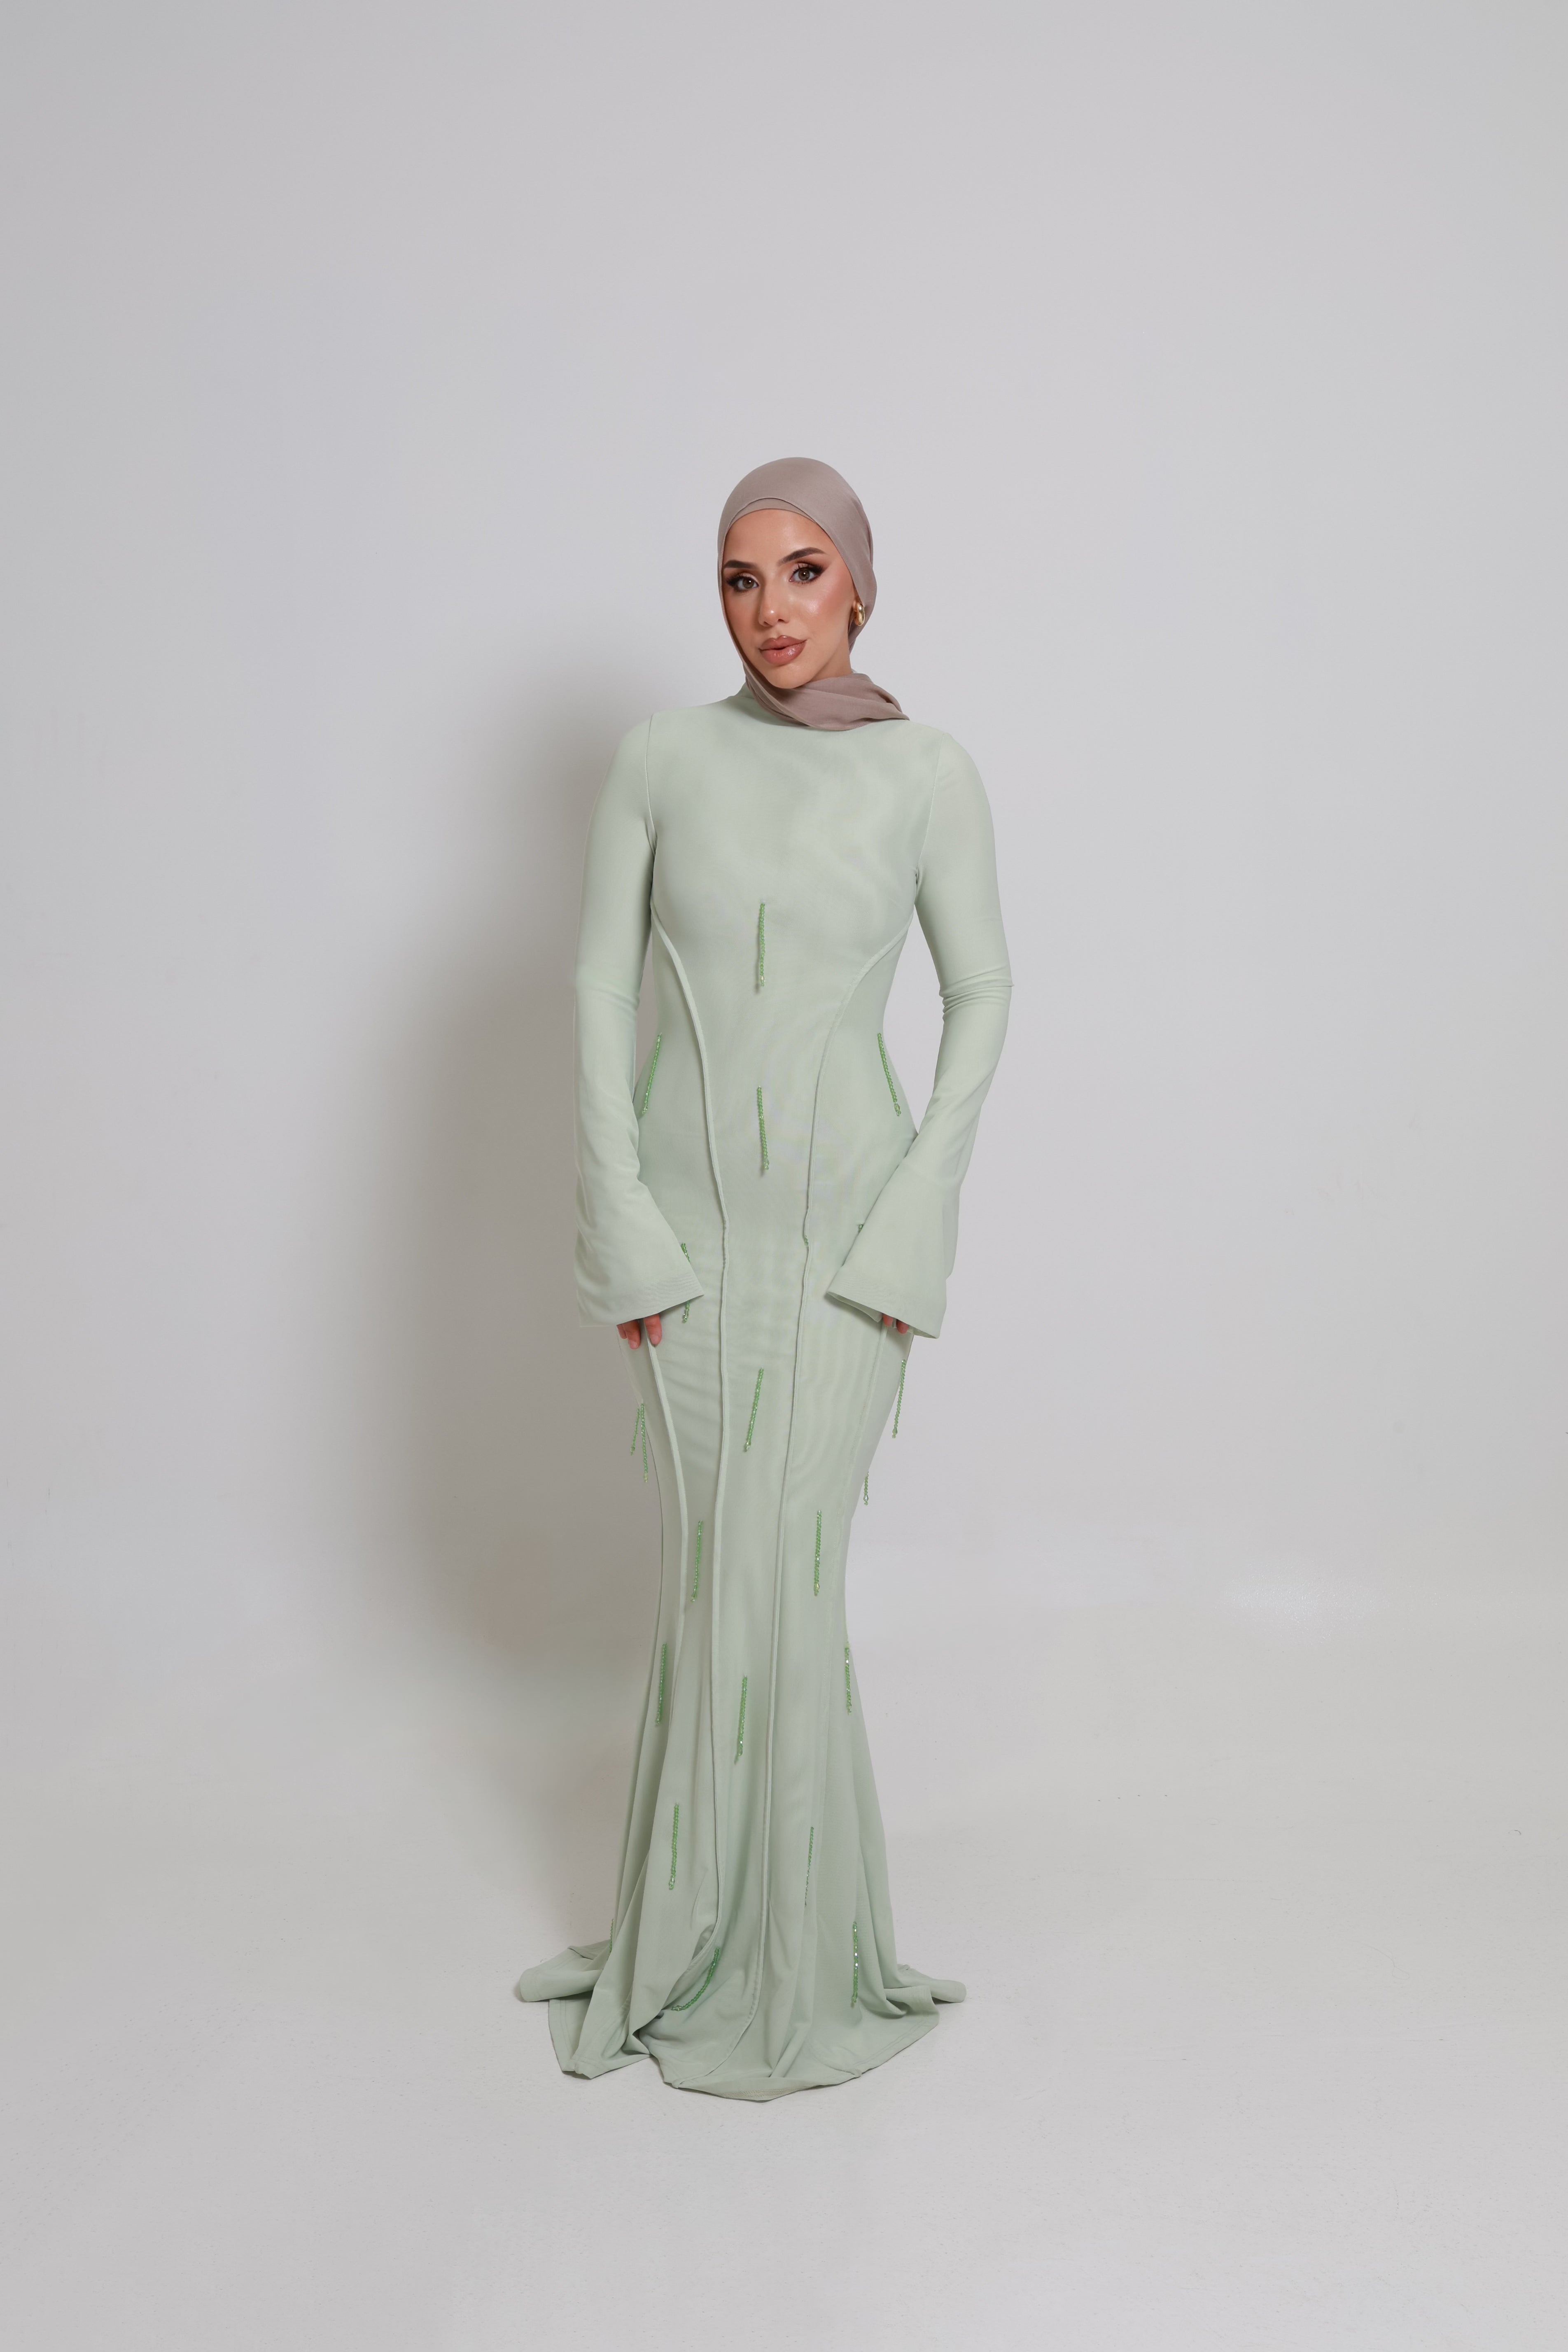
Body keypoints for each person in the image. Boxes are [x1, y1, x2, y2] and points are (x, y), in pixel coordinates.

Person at [516, 458, 1011, 2098]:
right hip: (686, 1240)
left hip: (852, 1244)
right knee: (711, 1574)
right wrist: (619, 1219)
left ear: (859, 582)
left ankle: (799, 1956)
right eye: (740, 578)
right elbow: (597, 986)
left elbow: (985, 993)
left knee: (785, 1574)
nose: (773, 608)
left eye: (804, 571)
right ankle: (687, 1935)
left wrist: (917, 1217)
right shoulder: (662, 758)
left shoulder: (929, 772)